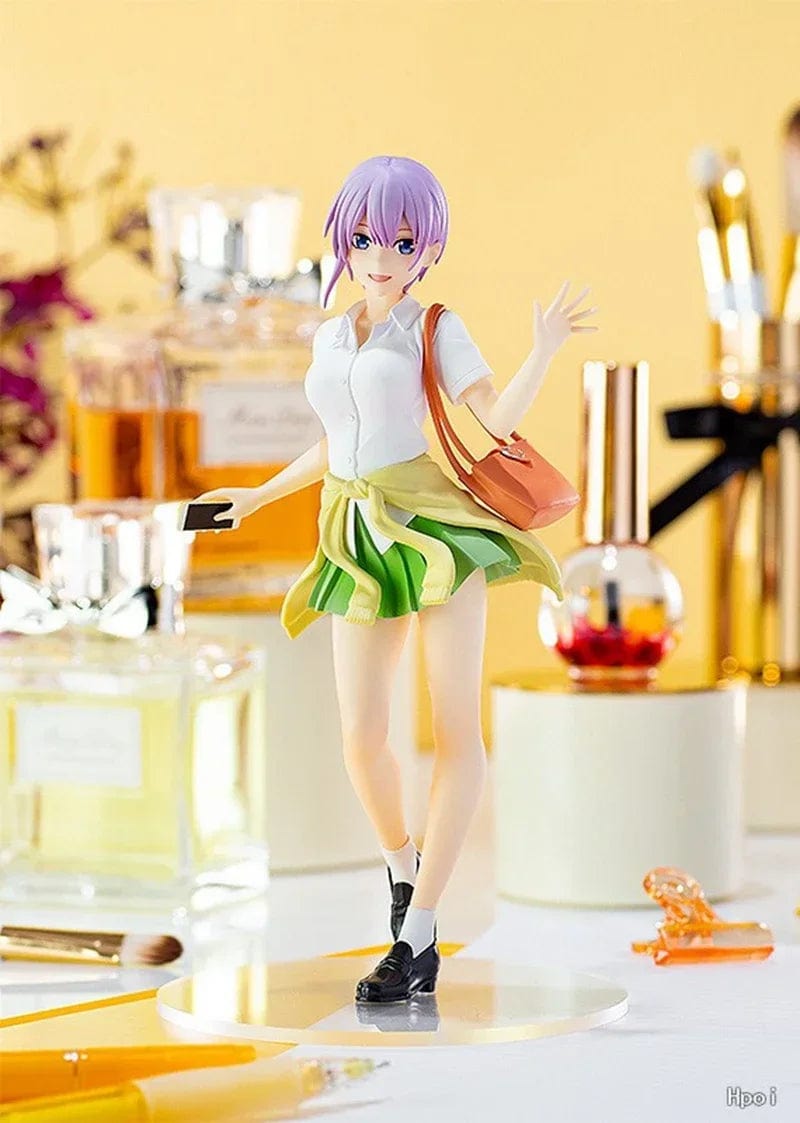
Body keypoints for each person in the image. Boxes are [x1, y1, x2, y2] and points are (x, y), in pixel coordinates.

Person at [190, 154, 597, 1003]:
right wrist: (257, 496)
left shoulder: (434, 327)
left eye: (404, 241)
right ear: (345, 239)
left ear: (428, 248)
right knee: (362, 735)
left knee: (453, 730)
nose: (382, 256)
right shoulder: (331, 332)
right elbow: (335, 440)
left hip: (434, 529)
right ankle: (403, 866)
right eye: (368, 237)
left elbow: (493, 420)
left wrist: (544, 350)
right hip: (355, 531)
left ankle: (418, 935)